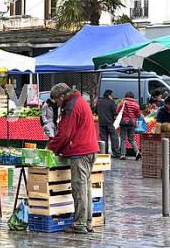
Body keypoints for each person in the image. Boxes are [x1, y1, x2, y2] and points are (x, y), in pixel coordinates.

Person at [47, 83, 99, 235]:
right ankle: (87, 222)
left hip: (81, 152)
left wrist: (51, 148)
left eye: (57, 100)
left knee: (79, 189)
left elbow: (65, 133)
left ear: (62, 96)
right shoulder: (80, 101)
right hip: (90, 149)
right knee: (86, 188)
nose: (57, 103)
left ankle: (80, 223)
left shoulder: (71, 106)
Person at [117, 91, 142, 160]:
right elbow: (139, 115)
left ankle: (123, 154)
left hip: (124, 123)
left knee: (123, 139)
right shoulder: (136, 104)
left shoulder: (123, 103)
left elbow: (118, 111)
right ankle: (137, 152)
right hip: (132, 123)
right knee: (131, 139)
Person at [96, 90, 120, 157]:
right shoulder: (111, 102)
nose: (112, 96)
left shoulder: (99, 102)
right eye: (112, 95)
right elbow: (115, 112)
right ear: (109, 95)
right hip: (110, 123)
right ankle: (116, 152)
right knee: (114, 137)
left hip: (101, 123)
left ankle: (104, 152)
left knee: (104, 139)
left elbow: (95, 111)